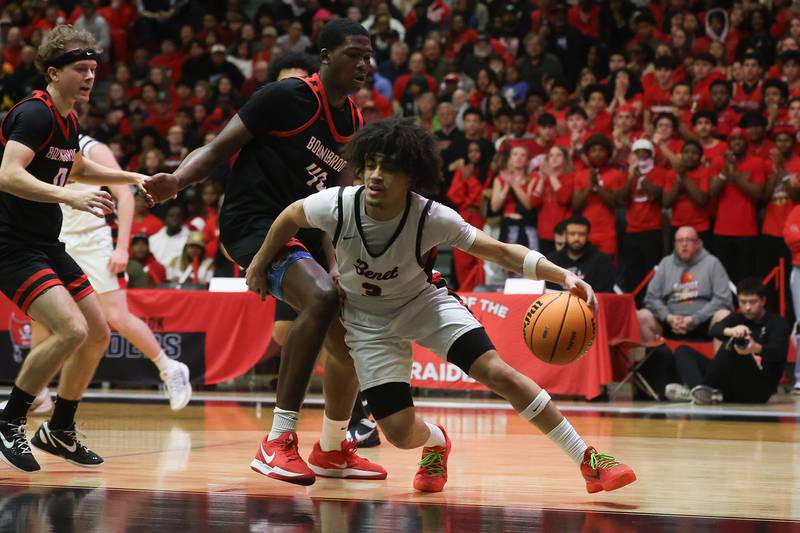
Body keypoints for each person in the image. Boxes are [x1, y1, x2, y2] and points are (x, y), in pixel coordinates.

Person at [245, 118, 636, 493]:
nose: (377, 175)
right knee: (398, 434)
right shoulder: (339, 203)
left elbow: (499, 251)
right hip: (367, 323)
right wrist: (261, 261)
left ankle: (589, 458)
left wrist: (562, 275)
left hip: (424, 303)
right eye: (371, 165)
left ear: (411, 176)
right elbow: (290, 215)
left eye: (390, 168)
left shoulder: (430, 216)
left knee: (498, 373)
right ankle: (436, 441)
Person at [143, 19, 384, 485]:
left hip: (307, 233)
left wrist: (336, 264)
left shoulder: (353, 120)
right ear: (326, 57)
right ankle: (277, 440)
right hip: (252, 225)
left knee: (352, 334)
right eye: (354, 54)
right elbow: (216, 149)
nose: (364, 65)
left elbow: (334, 203)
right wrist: (176, 180)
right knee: (318, 300)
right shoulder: (286, 97)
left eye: (369, 56)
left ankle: (333, 448)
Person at [0, 25, 145, 472]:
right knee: (71, 330)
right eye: (80, 69)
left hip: (44, 241)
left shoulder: (67, 118)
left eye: (93, 70)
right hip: (11, 244)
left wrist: (133, 179)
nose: (89, 77)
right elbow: (7, 173)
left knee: (98, 332)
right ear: (52, 72)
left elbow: (77, 167)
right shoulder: (35, 114)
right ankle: (9, 422)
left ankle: (59, 430)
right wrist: (67, 196)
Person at [24, 134, 192, 414]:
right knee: (40, 315)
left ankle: (170, 368)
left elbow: (125, 197)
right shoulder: (40, 149)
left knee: (116, 316)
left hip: (93, 241)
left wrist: (122, 248)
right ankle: (37, 392)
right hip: (56, 240)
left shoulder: (91, 147)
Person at [665, 279, 790, 405]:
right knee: (683, 350)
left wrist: (756, 348)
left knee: (730, 345)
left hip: (758, 390)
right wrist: (732, 330)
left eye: (752, 302)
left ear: (763, 301)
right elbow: (714, 330)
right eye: (743, 302)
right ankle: (699, 391)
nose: (747, 307)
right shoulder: (738, 317)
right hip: (732, 384)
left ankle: (700, 391)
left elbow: (779, 352)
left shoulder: (777, 322)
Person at [638, 226, 732, 343]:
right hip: (670, 322)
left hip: (704, 323)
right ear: (675, 244)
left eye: (688, 240)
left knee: (724, 315)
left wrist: (694, 319)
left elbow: (723, 299)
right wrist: (668, 317)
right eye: (680, 241)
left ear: (698, 243)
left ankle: (721, 361)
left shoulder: (712, 263)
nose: (684, 244)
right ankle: (651, 360)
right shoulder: (666, 263)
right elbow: (651, 297)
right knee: (642, 316)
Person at [545, 215, 616, 293]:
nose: (576, 238)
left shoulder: (602, 261)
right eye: (572, 234)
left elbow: (604, 294)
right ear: (565, 235)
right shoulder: (551, 260)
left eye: (581, 234)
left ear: (588, 235)